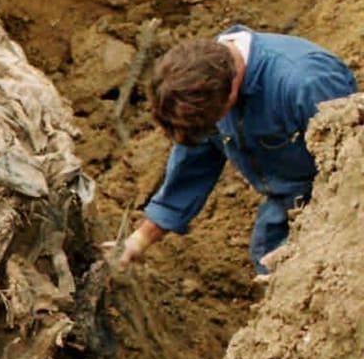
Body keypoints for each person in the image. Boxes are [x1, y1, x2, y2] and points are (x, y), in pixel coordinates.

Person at [117, 27, 357, 274]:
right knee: (267, 260)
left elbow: (354, 172)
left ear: (231, 94)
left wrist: (310, 246)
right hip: (285, 205)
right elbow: (193, 166)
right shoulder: (200, 80)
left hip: (337, 208)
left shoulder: (306, 81)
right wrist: (140, 239)